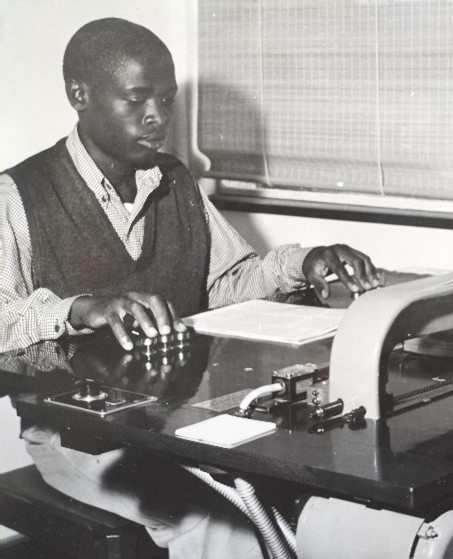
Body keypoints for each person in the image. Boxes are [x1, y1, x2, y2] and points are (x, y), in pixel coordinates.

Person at [0, 17, 380, 558]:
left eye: (166, 99)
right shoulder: (19, 193)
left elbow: (226, 287)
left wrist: (304, 263)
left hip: (178, 420)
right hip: (79, 439)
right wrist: (79, 309)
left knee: (315, 489)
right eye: (137, 99)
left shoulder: (174, 180)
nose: (157, 116)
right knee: (225, 525)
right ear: (78, 95)